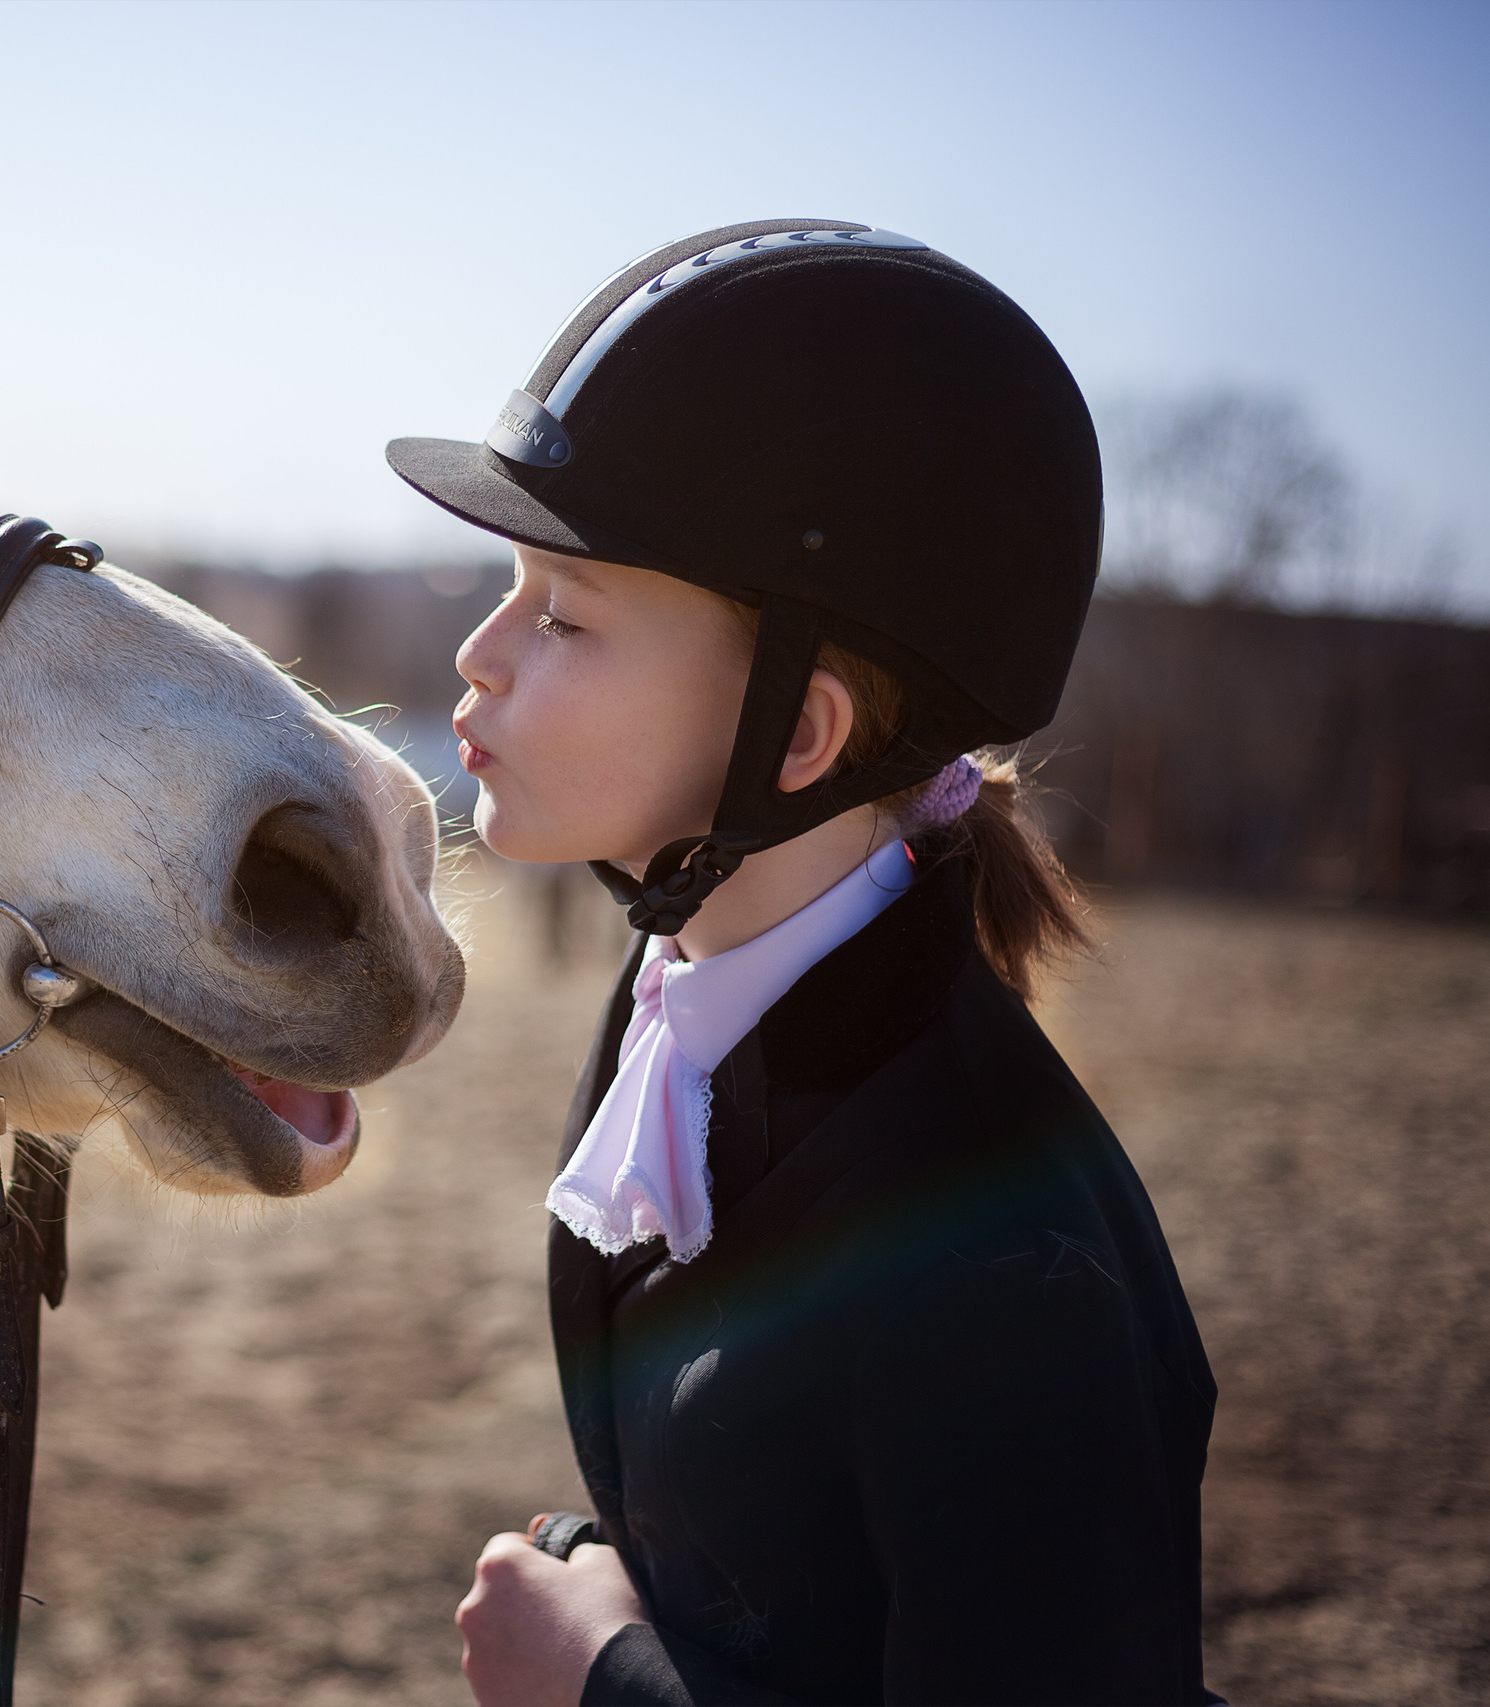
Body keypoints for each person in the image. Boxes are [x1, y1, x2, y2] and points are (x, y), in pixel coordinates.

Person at [385, 222, 1220, 1705]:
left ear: (796, 736)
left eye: (565, 613)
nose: (482, 658)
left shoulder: (997, 1272)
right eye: (507, 588)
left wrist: (602, 1679)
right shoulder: (685, 1006)